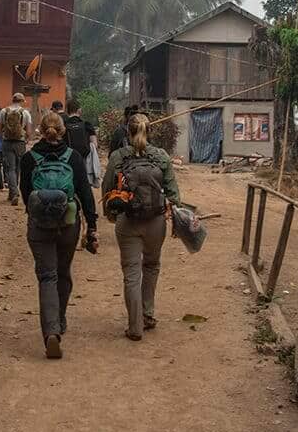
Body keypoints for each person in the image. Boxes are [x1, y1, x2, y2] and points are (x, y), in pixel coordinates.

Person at [20, 112, 99, 359]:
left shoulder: (29, 158)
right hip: (68, 223)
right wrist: (92, 225)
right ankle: (60, 318)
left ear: (40, 131)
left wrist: (37, 212)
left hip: (39, 225)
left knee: (47, 276)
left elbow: (25, 193)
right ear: (63, 131)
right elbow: (85, 193)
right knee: (63, 273)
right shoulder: (73, 157)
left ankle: (51, 332)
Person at [101, 112, 180, 341]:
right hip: (156, 222)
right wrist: (173, 214)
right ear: (150, 131)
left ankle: (134, 326)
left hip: (127, 221)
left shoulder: (118, 156)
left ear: (128, 131)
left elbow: (107, 188)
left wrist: (110, 215)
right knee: (152, 265)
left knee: (131, 272)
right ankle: (148, 314)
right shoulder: (161, 156)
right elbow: (173, 194)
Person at [0, 93, 33, 205]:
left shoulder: (4, 111)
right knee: (18, 168)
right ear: (22, 101)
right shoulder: (25, 113)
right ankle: (14, 192)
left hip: (7, 142)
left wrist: (4, 136)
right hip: (20, 143)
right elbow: (29, 131)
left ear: (12, 100)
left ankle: (13, 193)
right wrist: (27, 139)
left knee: (10, 168)